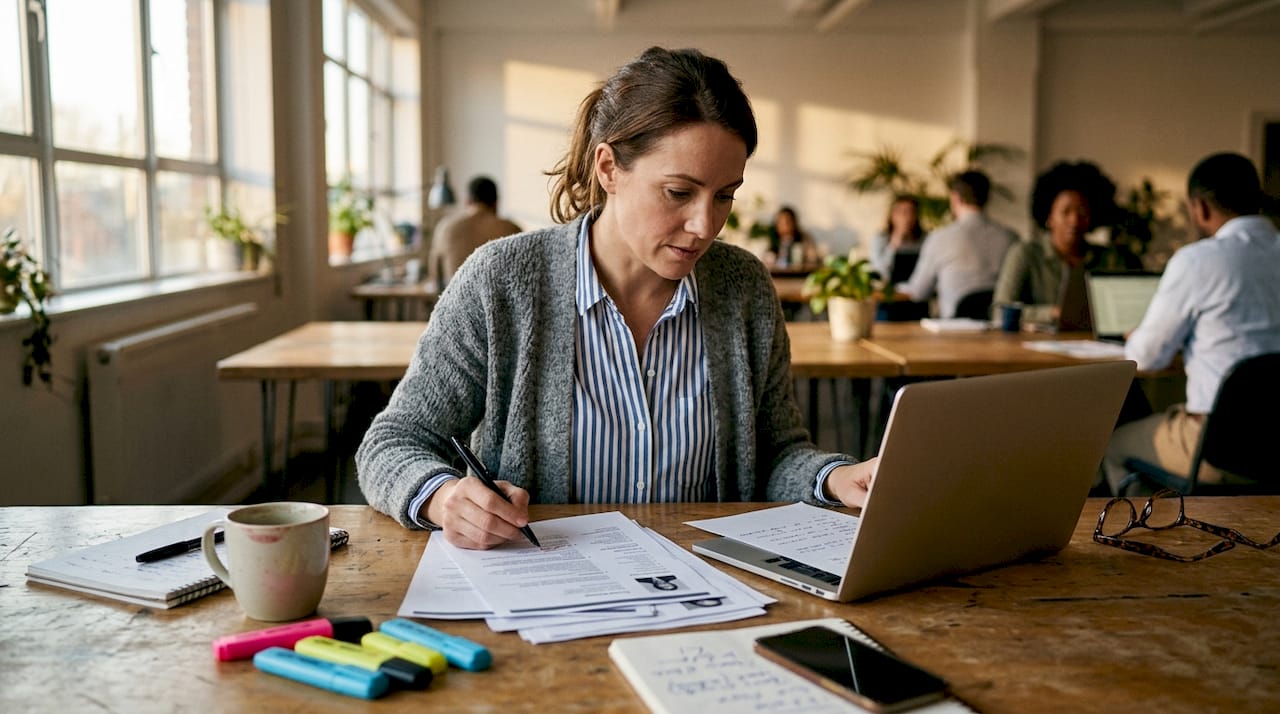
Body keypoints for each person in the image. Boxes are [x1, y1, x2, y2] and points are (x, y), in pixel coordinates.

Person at [357, 46, 877, 549]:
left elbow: (775, 454)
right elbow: (393, 442)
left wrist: (835, 479)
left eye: (724, 196)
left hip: (711, 596)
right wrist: (444, 497)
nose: (704, 226)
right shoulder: (502, 280)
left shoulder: (743, 288)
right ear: (608, 168)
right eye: (678, 192)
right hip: (547, 594)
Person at [1101, 152, 1280, 495]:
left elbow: (1147, 357)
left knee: (1113, 446)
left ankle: (1146, 544)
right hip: (1277, 443)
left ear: (1200, 207)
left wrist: (1135, 336)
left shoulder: (1198, 261)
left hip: (1220, 446)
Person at [993, 161, 1142, 327]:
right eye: (1066, 212)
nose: (1074, 221)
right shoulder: (1025, 254)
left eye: (1082, 212)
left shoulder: (1111, 259)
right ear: (1049, 217)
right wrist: (1052, 313)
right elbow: (1000, 311)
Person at [894, 171, 1017, 318]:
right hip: (999, 330)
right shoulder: (1011, 237)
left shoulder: (939, 238)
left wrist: (892, 288)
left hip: (954, 332)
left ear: (955, 198)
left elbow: (919, 292)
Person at [425, 176, 522, 285]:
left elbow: (434, 277)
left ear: (467, 201)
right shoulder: (512, 229)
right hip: (499, 301)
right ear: (496, 203)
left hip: (456, 300)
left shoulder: (445, 227)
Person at [869, 194, 926, 283]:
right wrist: (893, 246)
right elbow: (879, 273)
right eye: (900, 212)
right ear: (892, 215)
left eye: (910, 212)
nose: (905, 217)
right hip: (890, 292)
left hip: (918, 290)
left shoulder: (925, 239)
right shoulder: (880, 239)